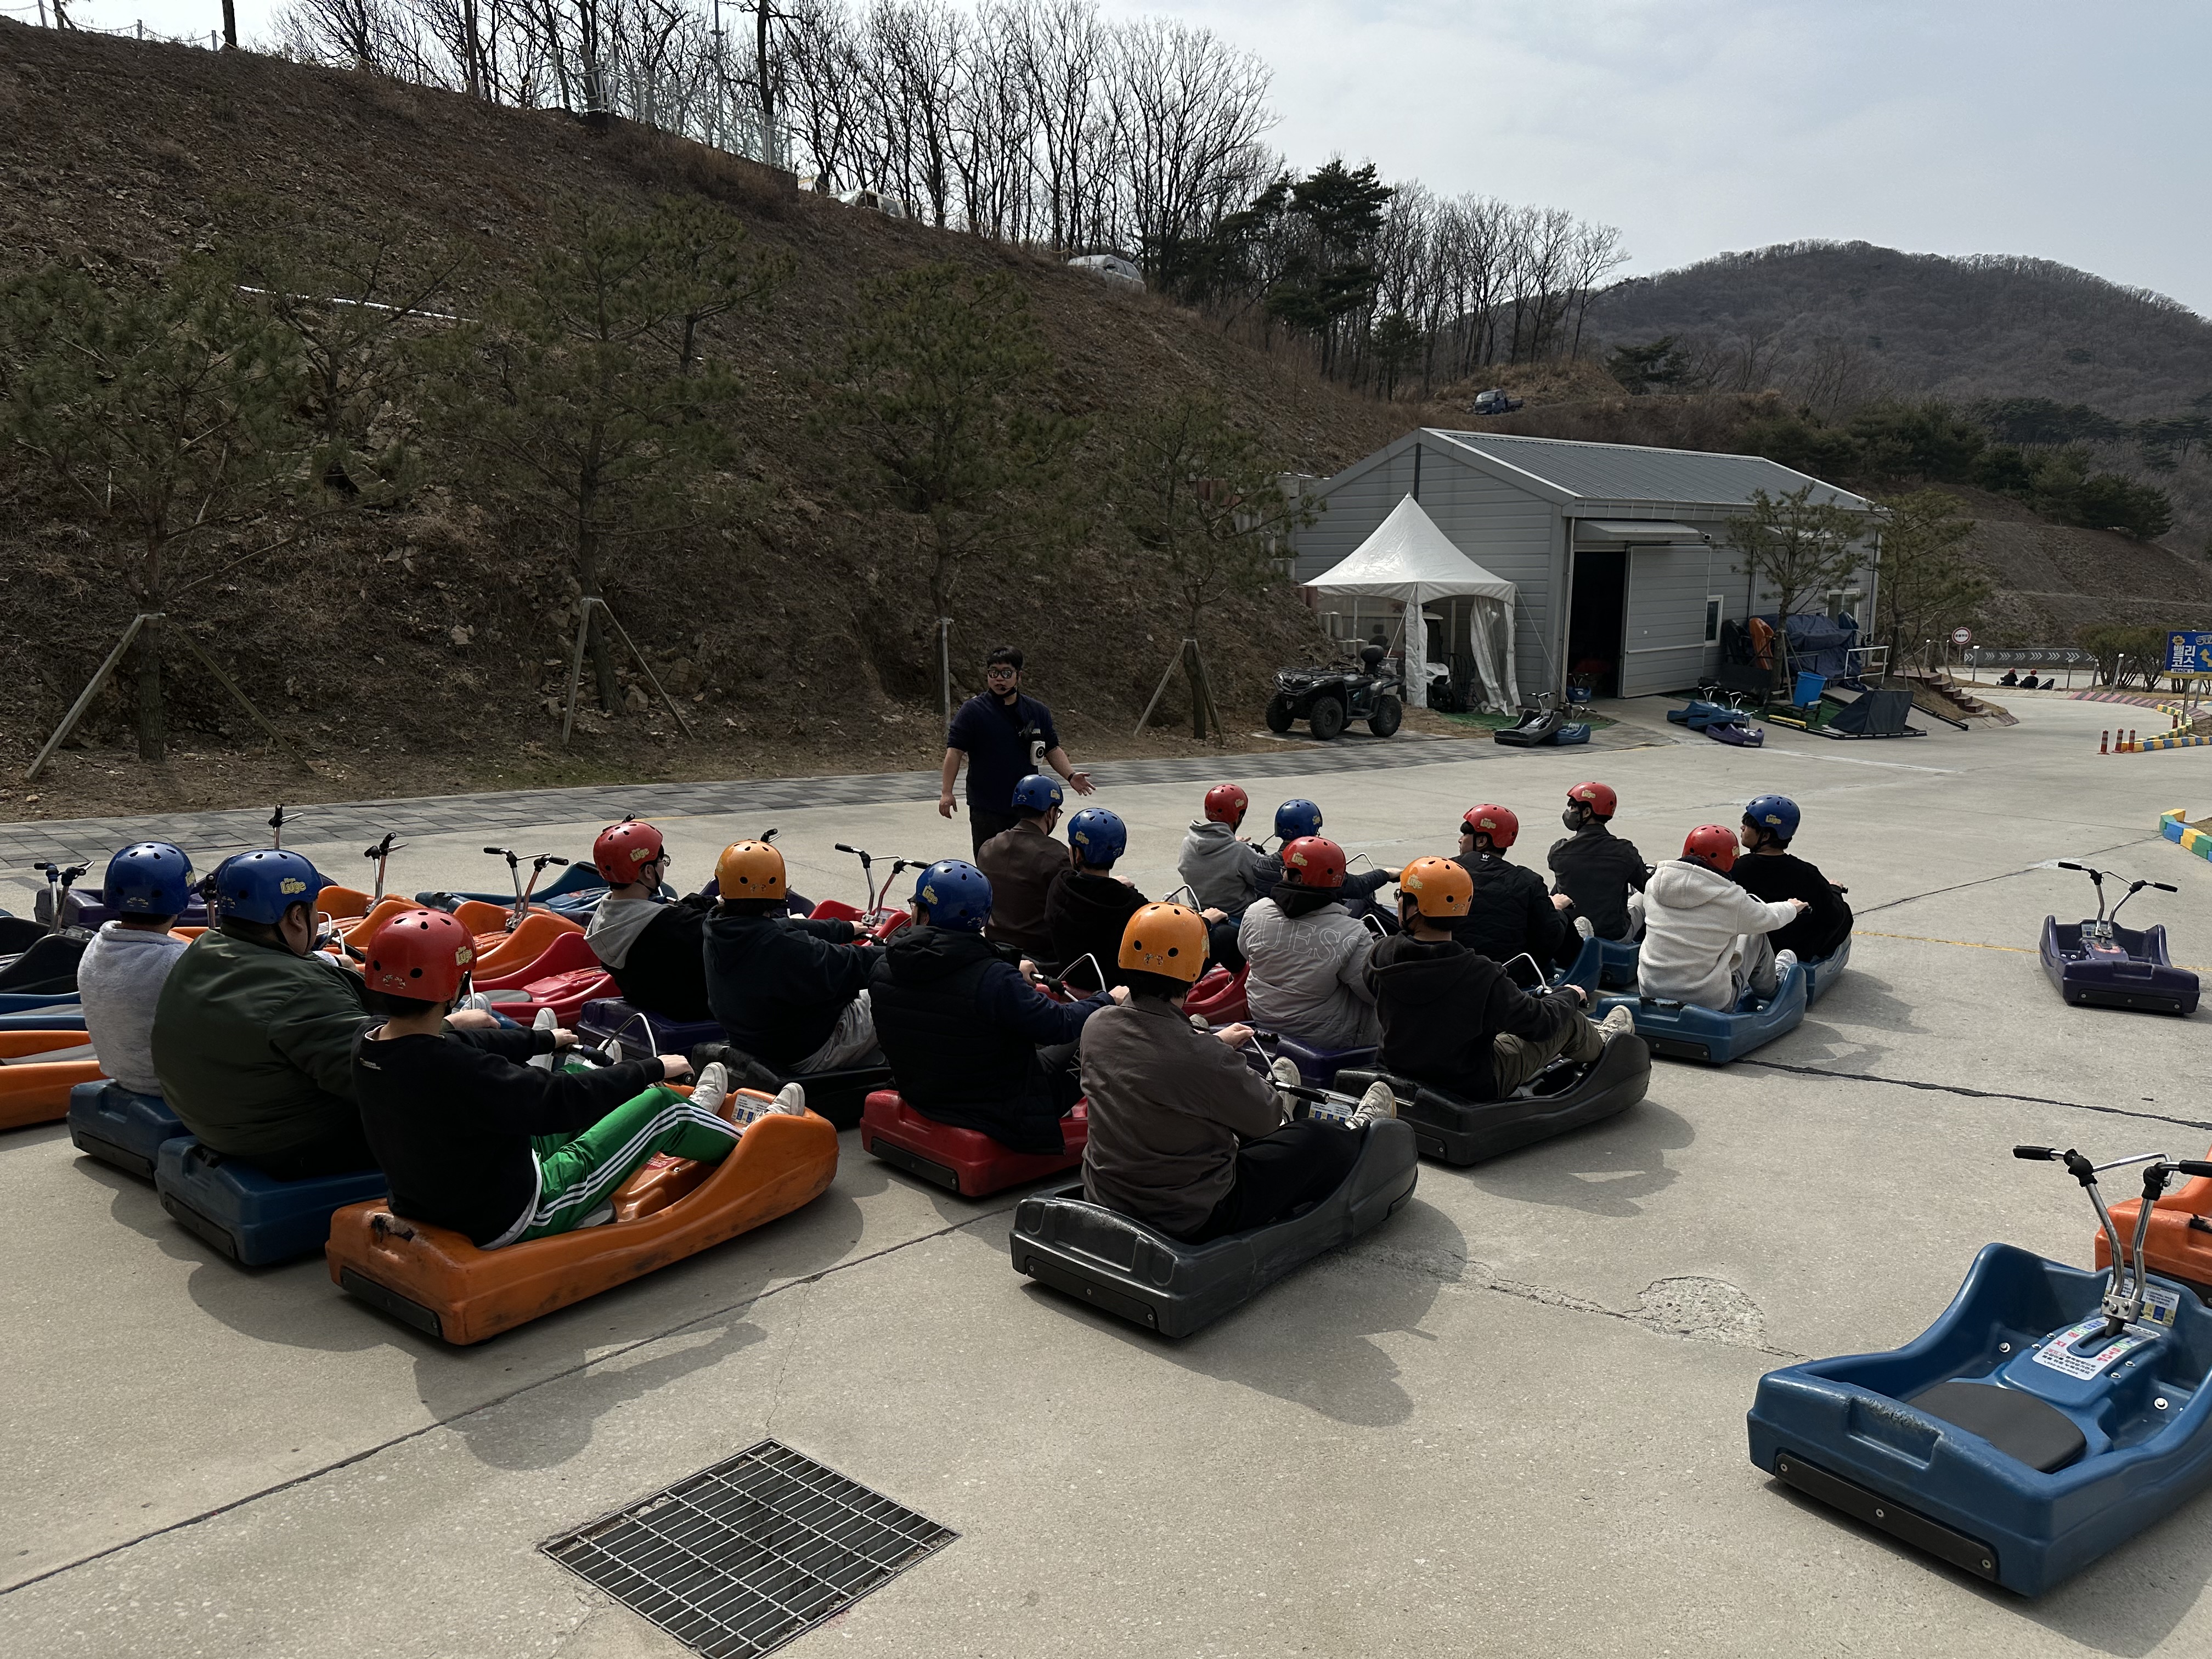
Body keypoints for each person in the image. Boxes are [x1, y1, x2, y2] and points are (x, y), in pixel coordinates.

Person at [352, 909, 786, 1249]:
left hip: (446, 1197)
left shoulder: (369, 1042)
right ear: (453, 986)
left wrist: (542, 1039)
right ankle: (753, 1142)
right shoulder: (458, 1070)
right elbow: (559, 1099)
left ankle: (692, 1117)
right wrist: (653, 1068)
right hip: (513, 1215)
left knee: (579, 1070)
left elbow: (458, 1043)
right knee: (661, 1107)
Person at [1080, 902, 1393, 1243]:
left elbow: (1154, 1059)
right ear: (1194, 973)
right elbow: (1265, 1122)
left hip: (1107, 1194)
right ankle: (1357, 1129)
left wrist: (1210, 1043)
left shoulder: (1097, 1026)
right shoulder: (1205, 1058)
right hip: (1191, 1213)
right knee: (1315, 1138)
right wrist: (1214, 1052)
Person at [151, 849, 387, 1179]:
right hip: (285, 1144)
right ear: (296, 916)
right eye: (314, 908)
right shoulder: (302, 989)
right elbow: (381, 1076)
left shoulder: (202, 951)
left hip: (214, 1124)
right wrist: (449, 1030)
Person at [870, 860, 1123, 1153]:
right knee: (1100, 1029)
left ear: (924, 914)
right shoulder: (994, 980)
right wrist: (1107, 1001)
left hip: (923, 1091)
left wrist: (1008, 965)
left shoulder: (884, 966)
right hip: (1000, 1107)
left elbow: (949, 960)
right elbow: (1059, 1025)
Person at [1367, 857, 1633, 1099]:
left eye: (1401, 896)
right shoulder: (1481, 974)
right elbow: (1539, 1024)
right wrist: (1570, 995)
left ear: (1416, 907)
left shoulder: (1382, 954)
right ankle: (1603, 1041)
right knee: (1569, 1020)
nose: (1399, 902)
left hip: (1396, 1068)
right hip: (1468, 1083)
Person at [703, 839, 882, 1073]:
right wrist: (902, 951)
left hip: (753, 1042)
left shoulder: (717, 927)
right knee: (888, 991)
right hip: (804, 1053)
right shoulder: (784, 948)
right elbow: (856, 963)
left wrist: (845, 928)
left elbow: (781, 926)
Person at [939, 645, 1096, 855]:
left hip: (1029, 805)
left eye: (1006, 673)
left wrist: (1070, 775)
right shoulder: (973, 711)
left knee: (1028, 861)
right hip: (987, 805)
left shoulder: (1036, 711)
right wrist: (947, 792)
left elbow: (1052, 748)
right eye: (993, 673)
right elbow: (955, 752)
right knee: (989, 861)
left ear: (1018, 676)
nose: (999, 679)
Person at [1637, 825, 1807, 1012]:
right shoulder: (1731, 899)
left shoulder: (1655, 885)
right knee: (1755, 935)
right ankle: (1770, 988)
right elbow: (1770, 917)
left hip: (1651, 990)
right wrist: (1792, 907)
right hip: (1708, 1001)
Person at [75, 841, 195, 1099]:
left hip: (124, 1073)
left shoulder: (98, 944)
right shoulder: (177, 961)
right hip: (171, 1086)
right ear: (182, 902)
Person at [1238, 836, 1383, 1051]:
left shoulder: (1256, 912)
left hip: (1265, 1021)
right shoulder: (1352, 933)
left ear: (1294, 877)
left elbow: (1245, 952)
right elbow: (1372, 993)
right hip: (1324, 1039)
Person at [581, 818, 714, 1020]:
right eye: (662, 861)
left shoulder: (602, 920)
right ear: (649, 872)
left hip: (651, 1004)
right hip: (696, 1013)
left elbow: (672, 911)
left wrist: (713, 901)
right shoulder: (672, 925)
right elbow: (725, 929)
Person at [1453, 804, 1578, 971]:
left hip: (1451, 967)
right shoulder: (1528, 881)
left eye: (1465, 834)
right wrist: (1557, 911)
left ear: (1482, 841)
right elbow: (1549, 939)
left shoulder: (1446, 871)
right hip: (1509, 975)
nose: (1460, 840)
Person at [1731, 794, 1854, 963]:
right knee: (1843, 911)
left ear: (1765, 836)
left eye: (1748, 825)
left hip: (1748, 947)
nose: (1742, 828)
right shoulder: (1808, 873)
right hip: (1795, 950)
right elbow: (1833, 917)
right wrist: (1834, 890)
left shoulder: (1735, 868)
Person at [977, 773, 1070, 961]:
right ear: (1051, 811)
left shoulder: (987, 847)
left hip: (994, 948)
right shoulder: (1057, 856)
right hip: (1041, 956)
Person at [1547, 782, 1649, 942]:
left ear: (1587, 812)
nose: (1569, 812)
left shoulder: (1559, 851)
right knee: (1642, 899)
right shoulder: (1625, 851)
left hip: (1570, 933)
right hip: (1615, 935)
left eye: (1573, 807)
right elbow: (1648, 887)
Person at [1177, 784, 1277, 919]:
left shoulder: (1188, 843)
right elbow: (1267, 877)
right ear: (1239, 815)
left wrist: (1230, 842)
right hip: (1237, 916)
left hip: (1199, 913)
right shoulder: (1239, 852)